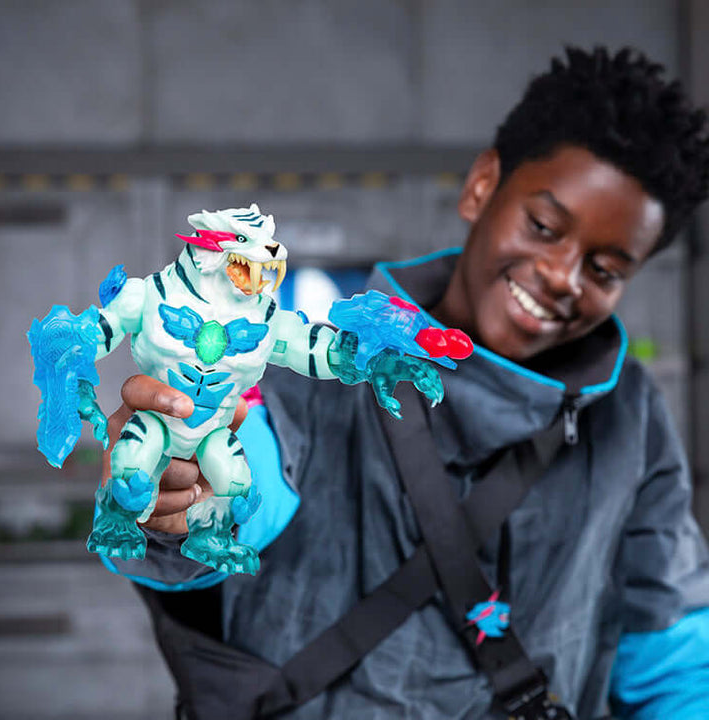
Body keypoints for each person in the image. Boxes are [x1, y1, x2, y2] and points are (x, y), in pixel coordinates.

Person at [101, 47, 709, 719]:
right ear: (482, 186)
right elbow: (251, 483)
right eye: (544, 227)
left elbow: (670, 655)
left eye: (605, 269)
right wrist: (185, 499)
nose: (564, 276)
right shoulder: (317, 362)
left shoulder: (629, 416)